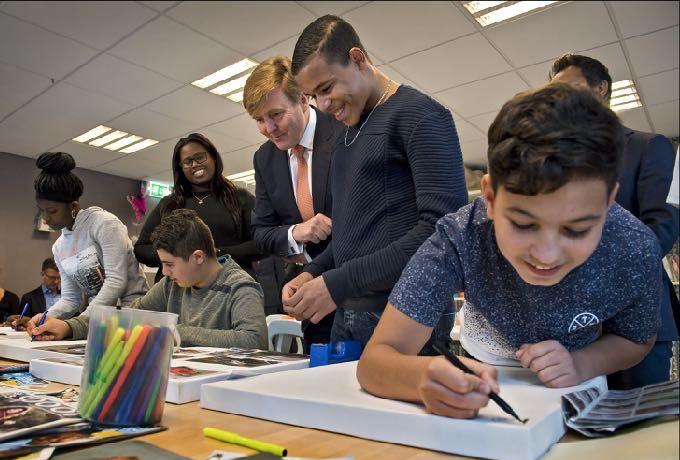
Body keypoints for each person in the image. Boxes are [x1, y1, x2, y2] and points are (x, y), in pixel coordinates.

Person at [357, 83, 662, 418]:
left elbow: (637, 339)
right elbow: (375, 360)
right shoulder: (460, 237)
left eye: (577, 230)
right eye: (523, 224)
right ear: (489, 197)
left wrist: (580, 363)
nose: (546, 256)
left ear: (607, 202)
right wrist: (418, 378)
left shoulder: (635, 247)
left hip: (576, 380)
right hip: (482, 364)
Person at [283, 15, 468, 350]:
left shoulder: (421, 115)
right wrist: (313, 273)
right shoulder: (344, 140)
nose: (323, 105)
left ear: (357, 59)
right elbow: (350, 237)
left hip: (408, 316)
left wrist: (339, 283)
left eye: (326, 88)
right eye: (313, 96)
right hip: (349, 316)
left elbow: (442, 231)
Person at [550, 53, 679, 389]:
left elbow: (662, 229)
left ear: (601, 88)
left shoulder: (652, 146)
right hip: (574, 328)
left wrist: (593, 264)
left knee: (640, 431)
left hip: (637, 320)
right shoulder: (560, 163)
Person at [28, 209, 268, 350]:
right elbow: (129, 317)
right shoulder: (171, 285)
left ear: (197, 257)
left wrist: (170, 330)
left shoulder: (240, 287)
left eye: (169, 265)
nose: (165, 272)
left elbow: (253, 340)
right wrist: (69, 327)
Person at [244, 55, 345, 349]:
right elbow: (261, 233)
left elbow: (360, 224)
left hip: (359, 293)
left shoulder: (343, 132)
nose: (268, 128)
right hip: (312, 304)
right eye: (259, 120)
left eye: (275, 115)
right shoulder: (265, 158)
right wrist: (295, 233)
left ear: (302, 99)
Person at [30, 152, 148, 325]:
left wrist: (80, 323)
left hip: (132, 314)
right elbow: (71, 299)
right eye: (41, 210)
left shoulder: (104, 224)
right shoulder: (59, 247)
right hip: (99, 319)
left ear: (74, 206)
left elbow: (116, 281)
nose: (45, 218)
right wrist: (43, 318)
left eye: (52, 211)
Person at [134, 134, 263, 284]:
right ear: (181, 168)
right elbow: (141, 249)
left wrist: (214, 255)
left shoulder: (241, 198)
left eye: (200, 157)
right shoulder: (169, 203)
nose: (195, 164)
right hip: (175, 292)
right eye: (187, 162)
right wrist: (177, 257)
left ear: (213, 157)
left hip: (228, 287)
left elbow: (262, 244)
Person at [5, 258, 61, 329]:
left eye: (59, 277)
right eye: (52, 277)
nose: (56, 281)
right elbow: (22, 323)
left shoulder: (69, 297)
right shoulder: (29, 298)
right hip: (39, 335)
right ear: (42, 274)